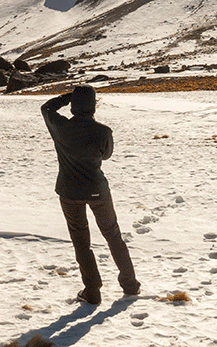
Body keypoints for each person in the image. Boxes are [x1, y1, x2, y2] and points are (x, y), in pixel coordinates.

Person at [42, 85, 140, 305]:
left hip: (69, 191)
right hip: (98, 190)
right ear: (93, 105)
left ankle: (92, 291)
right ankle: (130, 285)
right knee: (113, 235)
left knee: (81, 241)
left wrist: (67, 97)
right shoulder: (103, 132)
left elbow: (47, 108)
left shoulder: (61, 127)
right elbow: (106, 155)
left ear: (74, 105)